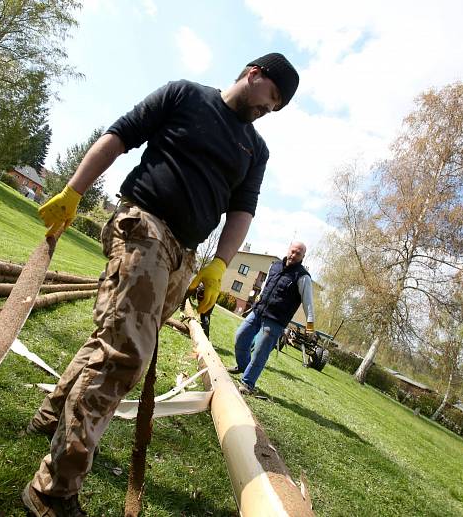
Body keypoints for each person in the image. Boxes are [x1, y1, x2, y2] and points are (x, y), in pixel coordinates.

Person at [21, 52, 299, 516]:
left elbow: (242, 211)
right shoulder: (184, 94)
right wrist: (74, 190)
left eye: (273, 110)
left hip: (183, 257)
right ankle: (52, 489)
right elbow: (118, 135)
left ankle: (51, 415)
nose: (265, 113)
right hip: (142, 224)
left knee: (111, 341)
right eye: (268, 101)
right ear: (254, 74)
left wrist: (219, 265)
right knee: (125, 353)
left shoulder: (256, 150)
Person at [228, 241, 315, 395]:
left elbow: (308, 303)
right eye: (293, 251)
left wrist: (310, 326)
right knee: (240, 337)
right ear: (288, 249)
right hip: (258, 311)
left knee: (260, 352)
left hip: (275, 320)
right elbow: (265, 285)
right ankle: (243, 366)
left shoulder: (302, 277)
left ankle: (248, 383)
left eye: (298, 254)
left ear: (303, 257)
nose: (294, 255)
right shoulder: (274, 266)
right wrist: (259, 297)